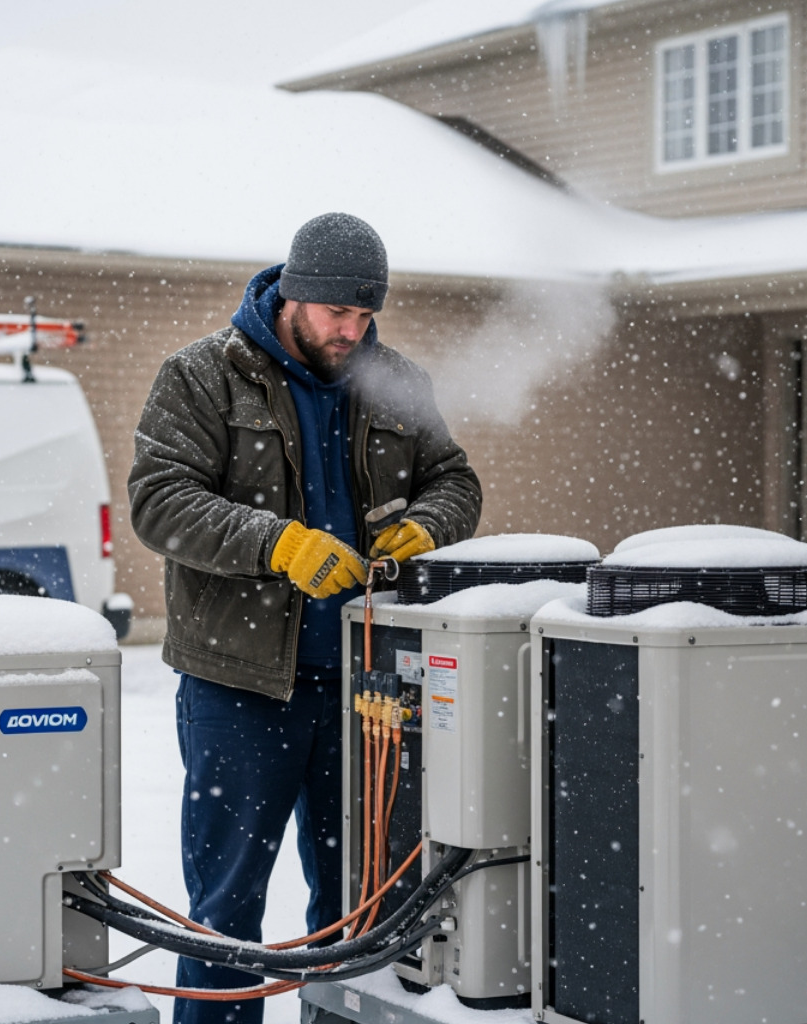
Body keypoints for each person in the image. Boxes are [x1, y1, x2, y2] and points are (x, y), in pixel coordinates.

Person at [128, 212, 482, 1024]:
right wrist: (276, 543)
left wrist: (430, 524)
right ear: (291, 294)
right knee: (226, 911)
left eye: (365, 315)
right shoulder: (201, 376)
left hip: (366, 693)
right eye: (336, 313)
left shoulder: (394, 379)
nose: (351, 331)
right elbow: (158, 502)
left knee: (360, 907)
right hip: (239, 688)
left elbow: (456, 481)